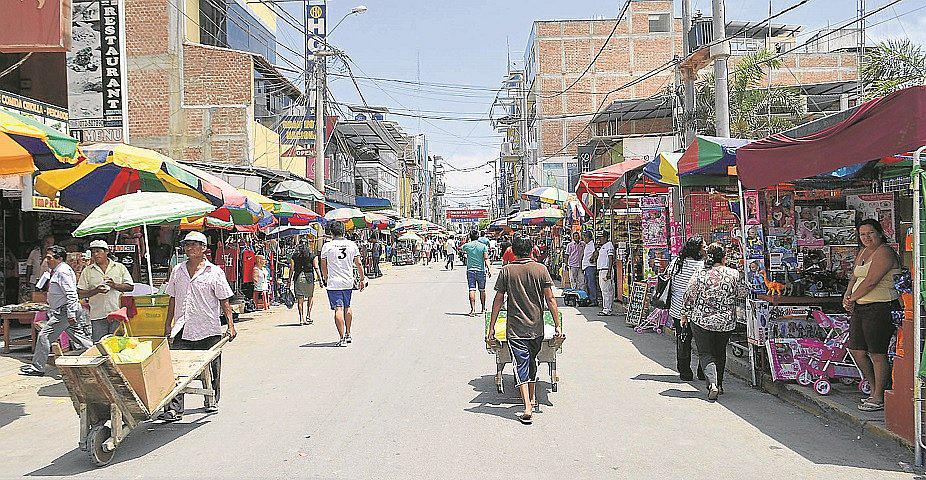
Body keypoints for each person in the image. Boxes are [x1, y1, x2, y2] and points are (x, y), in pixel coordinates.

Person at [161, 231, 237, 421]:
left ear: (204, 248)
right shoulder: (177, 270)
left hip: (208, 327)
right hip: (182, 326)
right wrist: (168, 324)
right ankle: (174, 408)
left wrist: (230, 325)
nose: (189, 248)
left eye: (194, 244)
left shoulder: (215, 272)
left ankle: (211, 399)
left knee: (213, 368)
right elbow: (172, 299)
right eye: (187, 245)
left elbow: (224, 300)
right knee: (176, 369)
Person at [488, 234, 562, 424]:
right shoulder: (541, 269)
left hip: (515, 329)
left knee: (521, 364)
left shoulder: (507, 271)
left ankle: (527, 406)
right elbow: (550, 299)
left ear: (513, 251)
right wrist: (557, 325)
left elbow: (498, 299)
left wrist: (491, 327)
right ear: (531, 250)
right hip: (537, 328)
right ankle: (531, 398)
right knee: (531, 362)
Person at [845, 219, 902, 412]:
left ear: (879, 233)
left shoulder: (885, 252)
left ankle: (879, 396)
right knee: (857, 350)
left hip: (880, 307)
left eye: (870, 233)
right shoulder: (863, 251)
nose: (866, 237)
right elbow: (854, 277)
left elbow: (871, 281)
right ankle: (875, 387)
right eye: (862, 234)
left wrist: (852, 298)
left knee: (877, 353)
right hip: (861, 308)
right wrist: (847, 295)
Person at [682, 243, 747, 401]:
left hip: (701, 321)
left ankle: (712, 384)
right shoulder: (733, 274)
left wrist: (684, 314)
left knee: (706, 353)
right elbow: (742, 292)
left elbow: (689, 294)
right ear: (724, 258)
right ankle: (720, 384)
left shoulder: (700, 273)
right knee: (720, 352)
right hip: (726, 322)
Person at [21, 245, 94, 376]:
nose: (47, 260)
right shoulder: (57, 270)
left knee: (44, 336)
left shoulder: (62, 272)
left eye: (50, 258)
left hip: (65, 311)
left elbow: (71, 293)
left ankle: (37, 367)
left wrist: (71, 313)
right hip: (66, 310)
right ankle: (98, 354)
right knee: (79, 337)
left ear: (59, 258)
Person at [77, 240, 134, 342]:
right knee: (100, 345)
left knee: (117, 344)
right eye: (93, 252)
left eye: (98, 251)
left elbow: (130, 287)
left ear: (106, 252)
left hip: (117, 313)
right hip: (98, 315)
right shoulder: (87, 271)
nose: (95, 254)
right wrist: (96, 290)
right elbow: (80, 293)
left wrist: (114, 285)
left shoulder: (119, 267)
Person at [320, 221, 365, 347]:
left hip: (333, 282)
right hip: (347, 281)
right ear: (344, 232)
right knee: (347, 306)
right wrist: (362, 278)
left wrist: (326, 277)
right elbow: (358, 263)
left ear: (331, 232)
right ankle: (348, 333)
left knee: (338, 309)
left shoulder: (327, 246)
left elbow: (323, 265)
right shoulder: (352, 245)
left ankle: (342, 338)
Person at [668, 237, 705, 381]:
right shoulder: (702, 265)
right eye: (703, 246)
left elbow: (669, 279)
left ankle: (685, 372)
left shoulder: (676, 262)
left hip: (678, 308)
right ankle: (703, 372)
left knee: (683, 339)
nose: (705, 248)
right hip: (698, 309)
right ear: (697, 249)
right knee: (703, 342)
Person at [461, 230, 492, 316]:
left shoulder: (467, 245)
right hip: (481, 271)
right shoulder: (483, 246)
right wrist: (489, 269)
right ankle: (483, 308)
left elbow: (461, 248)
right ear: (478, 237)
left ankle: (473, 310)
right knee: (482, 290)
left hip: (470, 270)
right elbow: (486, 259)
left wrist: (467, 240)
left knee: (472, 289)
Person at [290, 238, 320, 325]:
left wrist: (289, 281)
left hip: (298, 278)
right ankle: (308, 316)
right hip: (309, 278)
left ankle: (301, 318)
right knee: (310, 296)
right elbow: (316, 267)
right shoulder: (312, 255)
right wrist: (321, 280)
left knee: (300, 299)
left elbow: (292, 269)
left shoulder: (294, 256)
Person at [596, 231, 615, 316]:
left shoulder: (609, 245)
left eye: (601, 237)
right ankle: (607, 308)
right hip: (602, 270)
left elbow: (611, 258)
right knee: (605, 290)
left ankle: (607, 309)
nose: (600, 239)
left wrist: (609, 272)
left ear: (605, 237)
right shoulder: (603, 246)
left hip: (606, 270)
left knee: (606, 290)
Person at [581, 231, 599, 305]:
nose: (584, 239)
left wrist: (592, 258)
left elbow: (596, 252)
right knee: (588, 284)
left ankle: (594, 300)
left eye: (585, 237)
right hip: (587, 266)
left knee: (591, 284)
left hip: (590, 266)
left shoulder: (591, 244)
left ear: (589, 237)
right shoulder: (588, 245)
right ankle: (591, 299)